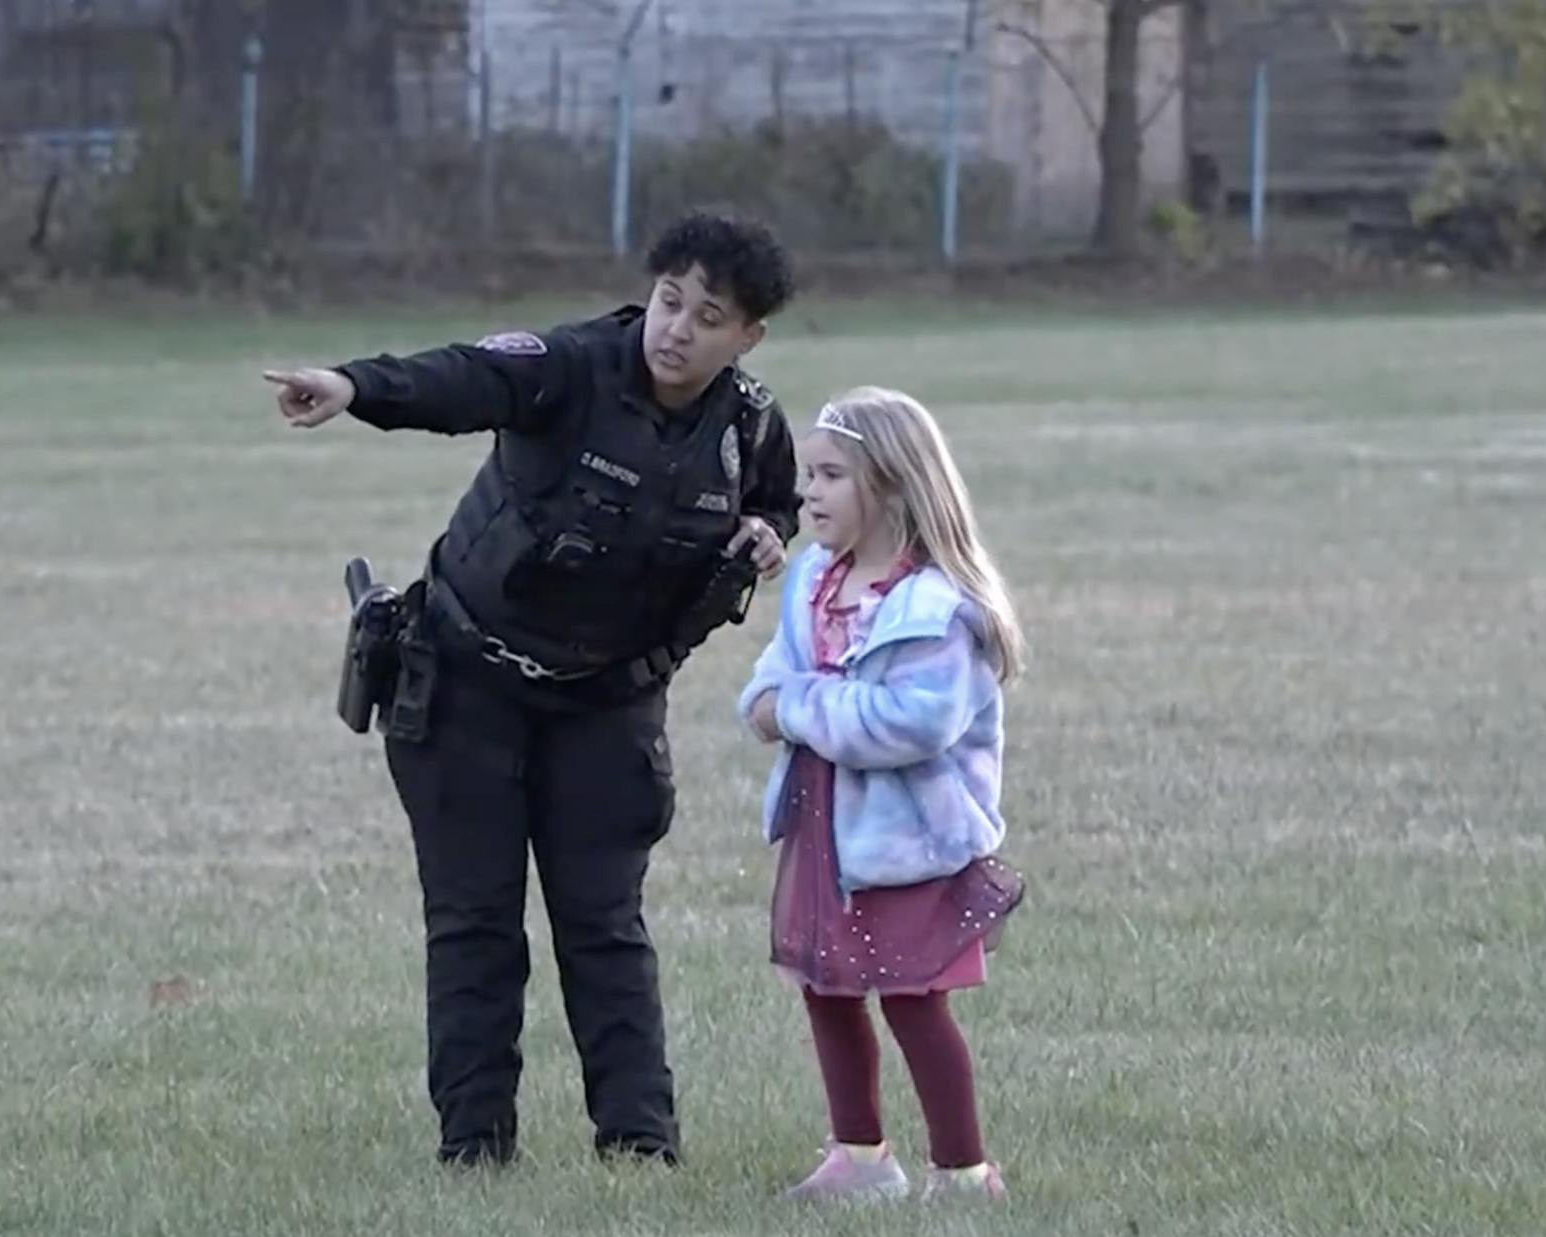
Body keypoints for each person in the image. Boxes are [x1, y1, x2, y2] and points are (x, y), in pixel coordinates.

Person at [263, 210, 801, 1168]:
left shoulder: (750, 424)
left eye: (708, 316)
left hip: (608, 701)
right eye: (670, 301)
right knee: (475, 922)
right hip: (467, 680)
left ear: (746, 336)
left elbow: (777, 501)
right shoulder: (573, 366)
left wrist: (766, 534)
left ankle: (638, 1142)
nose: (677, 328)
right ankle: (476, 1145)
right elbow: (467, 376)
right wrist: (354, 386)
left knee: (604, 923)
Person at [736, 386, 1026, 1203]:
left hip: (908, 839)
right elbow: (771, 678)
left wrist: (795, 708)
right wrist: (773, 701)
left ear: (892, 485)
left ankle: (963, 1170)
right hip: (825, 825)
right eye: (808, 477)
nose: (808, 494)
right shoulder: (812, 582)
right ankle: (859, 1155)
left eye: (830, 476)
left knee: (912, 1000)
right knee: (825, 989)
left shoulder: (940, 611)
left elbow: (908, 725)